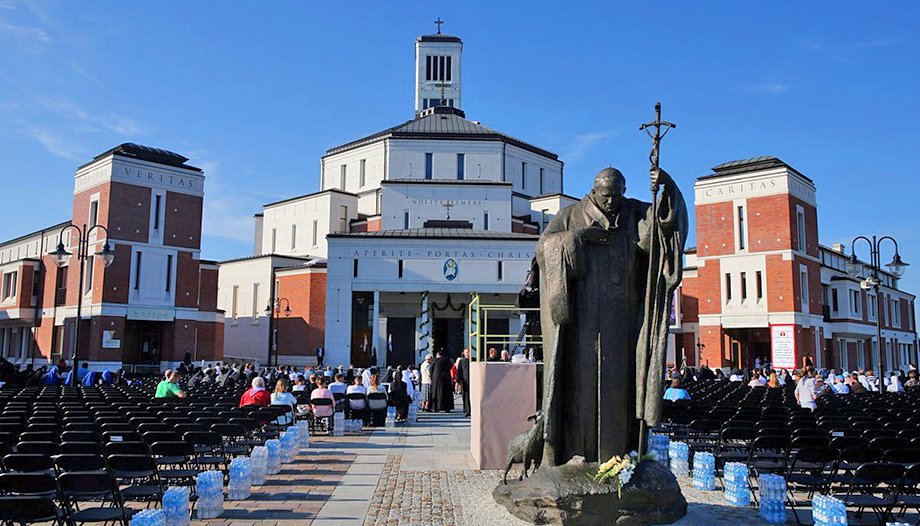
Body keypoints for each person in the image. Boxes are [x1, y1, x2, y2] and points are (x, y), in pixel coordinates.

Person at [456, 349, 472, 417]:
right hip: (464, 381)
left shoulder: (474, 360)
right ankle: (467, 410)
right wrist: (458, 382)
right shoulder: (462, 361)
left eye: (469, 352)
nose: (468, 353)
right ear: (464, 353)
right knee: (465, 396)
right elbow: (459, 372)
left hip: (472, 381)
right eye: (467, 352)